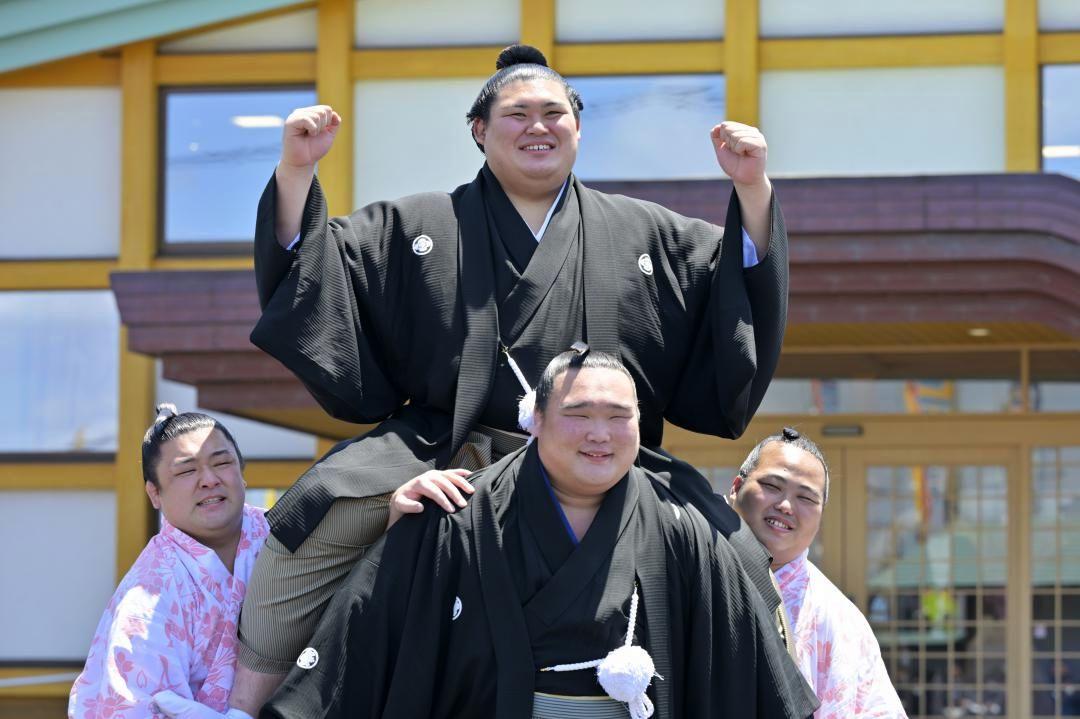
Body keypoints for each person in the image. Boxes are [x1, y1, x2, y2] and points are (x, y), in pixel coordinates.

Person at [235, 43, 789, 712]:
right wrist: (297, 170)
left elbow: (735, 280)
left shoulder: (640, 231)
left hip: (603, 450)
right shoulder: (420, 225)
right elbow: (316, 271)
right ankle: (243, 703)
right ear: (479, 130)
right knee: (306, 530)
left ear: (578, 128)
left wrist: (751, 189)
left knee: (736, 556)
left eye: (555, 113)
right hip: (445, 446)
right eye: (517, 113)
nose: (538, 126)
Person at [262, 348, 818, 719]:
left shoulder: (682, 528)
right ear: (537, 420)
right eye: (579, 414)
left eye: (618, 417)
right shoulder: (456, 513)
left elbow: (752, 676)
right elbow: (358, 647)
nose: (600, 435)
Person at [68, 405, 269, 719]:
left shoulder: (282, 535)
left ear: (242, 474)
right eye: (187, 471)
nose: (209, 479)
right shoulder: (148, 597)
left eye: (222, 462)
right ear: (154, 494)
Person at [728, 428, 907, 718]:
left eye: (806, 498)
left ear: (821, 517)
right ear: (736, 487)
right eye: (772, 486)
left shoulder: (837, 618)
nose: (785, 506)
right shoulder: (693, 569)